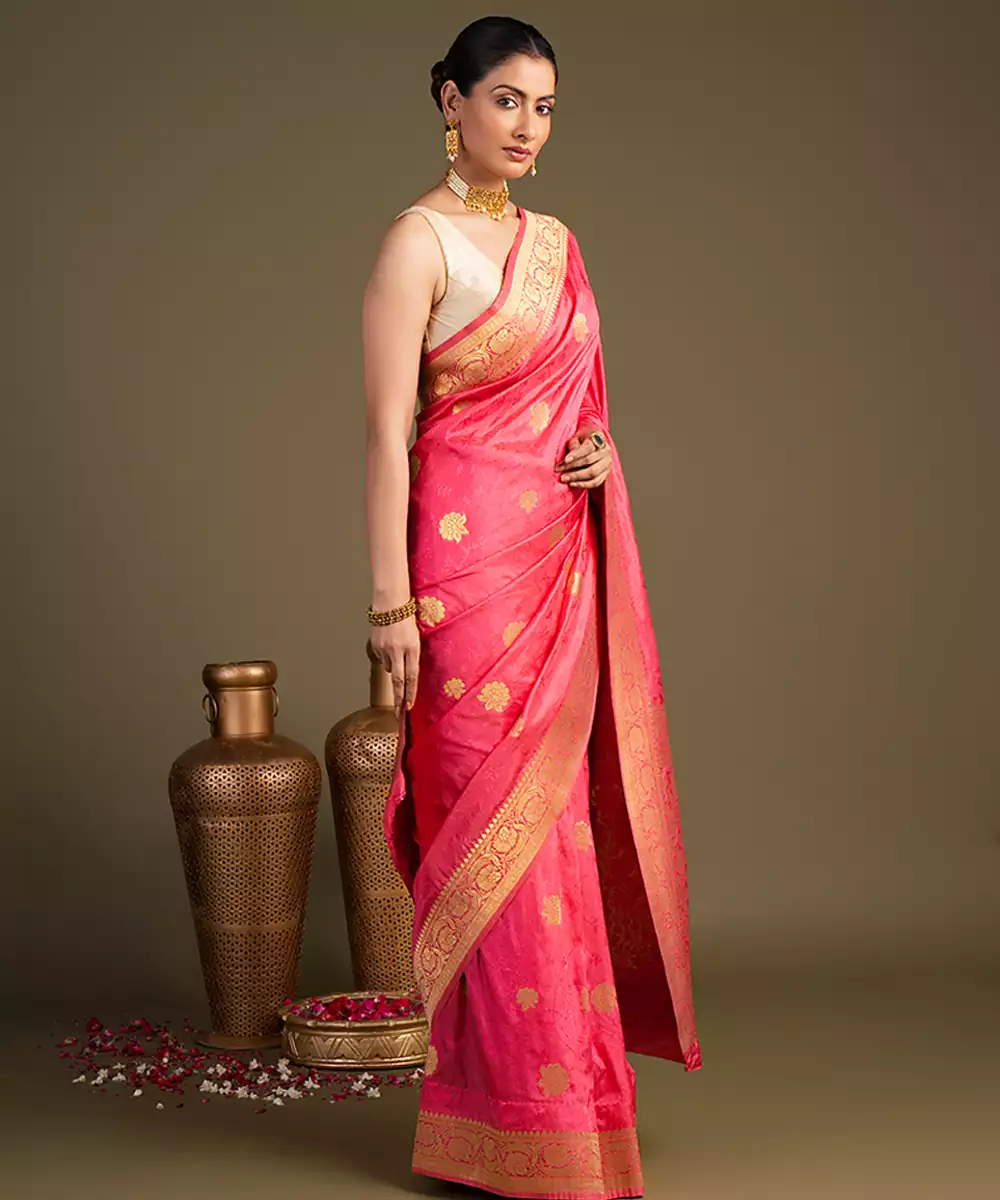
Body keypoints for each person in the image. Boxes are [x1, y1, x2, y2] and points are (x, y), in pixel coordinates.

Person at [362, 16, 701, 1199]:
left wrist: (601, 453)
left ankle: (565, 1118)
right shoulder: (415, 244)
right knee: (484, 833)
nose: (527, 126)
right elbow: (386, 440)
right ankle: (500, 1122)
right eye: (506, 99)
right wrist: (387, 607)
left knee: (554, 836)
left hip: (555, 563)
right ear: (449, 100)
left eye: (544, 107)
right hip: (461, 584)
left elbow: (578, 403)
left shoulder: (557, 244)